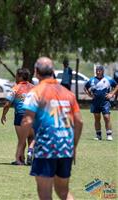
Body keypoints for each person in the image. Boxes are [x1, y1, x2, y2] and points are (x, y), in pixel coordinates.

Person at [18, 57, 83, 200]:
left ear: (36, 72)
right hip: (65, 147)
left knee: (45, 194)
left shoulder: (36, 92)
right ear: (53, 72)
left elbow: (27, 119)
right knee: (63, 192)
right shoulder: (68, 93)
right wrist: (73, 146)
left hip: (46, 147)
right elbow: (79, 122)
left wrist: (20, 147)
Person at [1, 68, 34, 165]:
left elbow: (7, 104)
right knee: (32, 137)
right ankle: (30, 151)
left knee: (22, 139)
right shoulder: (34, 88)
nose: (15, 77)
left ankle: (20, 160)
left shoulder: (15, 88)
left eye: (16, 75)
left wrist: (3, 115)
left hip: (20, 116)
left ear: (20, 77)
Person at [84, 65, 118, 141]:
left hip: (105, 102)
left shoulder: (108, 79)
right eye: (97, 70)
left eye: (99, 70)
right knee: (97, 118)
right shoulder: (92, 80)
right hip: (95, 102)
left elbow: (116, 86)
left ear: (103, 71)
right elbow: (85, 87)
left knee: (106, 117)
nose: (98, 72)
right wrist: (89, 95)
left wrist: (112, 94)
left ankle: (109, 134)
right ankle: (98, 135)